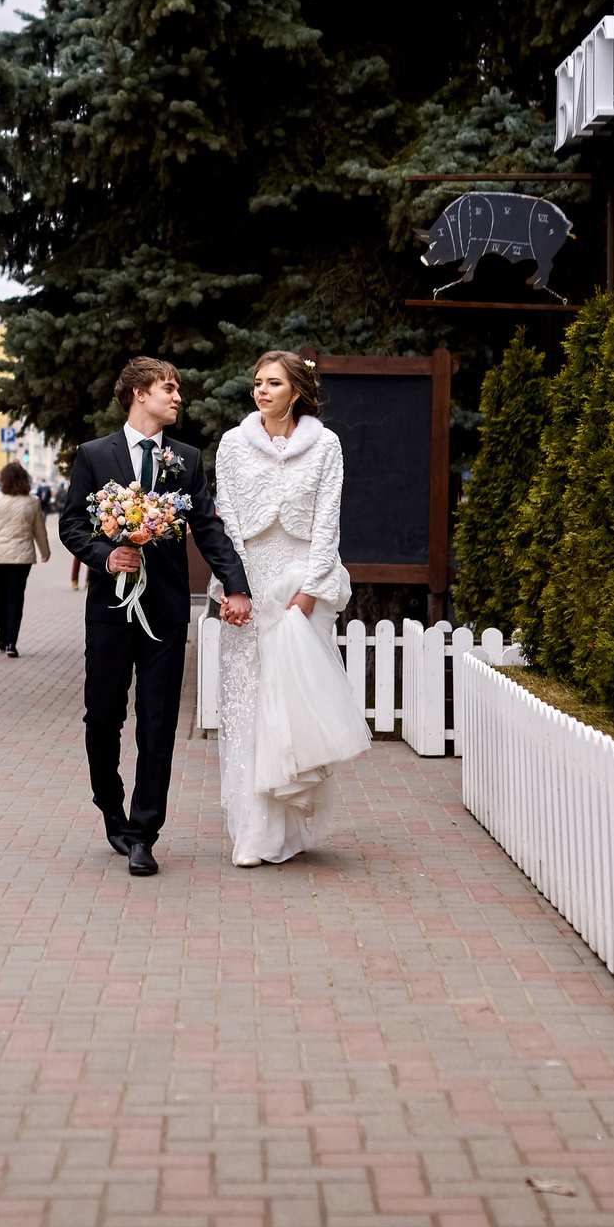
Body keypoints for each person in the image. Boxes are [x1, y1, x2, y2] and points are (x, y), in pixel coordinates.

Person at [57, 357, 251, 877]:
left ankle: (144, 833)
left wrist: (236, 585)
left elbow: (206, 526)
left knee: (158, 721)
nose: (178, 397)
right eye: (169, 388)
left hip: (165, 610)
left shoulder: (185, 459)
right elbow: (71, 524)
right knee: (102, 718)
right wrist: (105, 555)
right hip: (109, 609)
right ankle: (112, 810)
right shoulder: (94, 455)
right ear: (140, 393)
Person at [212, 351, 361, 867]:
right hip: (251, 581)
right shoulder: (232, 444)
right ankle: (253, 833)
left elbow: (328, 521)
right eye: (257, 382)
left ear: (296, 391)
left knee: (294, 704)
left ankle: (289, 832)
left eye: (273, 383)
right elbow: (228, 519)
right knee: (250, 702)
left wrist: (311, 589)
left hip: (301, 583)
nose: (262, 390)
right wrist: (236, 586)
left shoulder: (326, 445)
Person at [0, 461, 50, 657]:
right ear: (24, 479)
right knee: (16, 599)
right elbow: (39, 531)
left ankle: (1, 637)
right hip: (22, 558)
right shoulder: (32, 501)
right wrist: (45, 551)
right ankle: (11, 644)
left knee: (0, 598)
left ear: (3, 480)